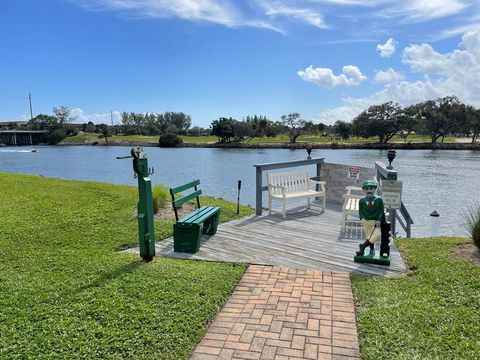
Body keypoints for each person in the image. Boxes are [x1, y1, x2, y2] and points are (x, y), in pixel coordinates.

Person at [356, 180, 384, 256]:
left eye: (371, 189)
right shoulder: (362, 201)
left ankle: (363, 246)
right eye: (367, 189)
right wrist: (361, 218)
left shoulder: (379, 200)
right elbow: (360, 210)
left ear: (374, 190)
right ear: (364, 190)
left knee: (377, 235)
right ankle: (372, 249)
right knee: (369, 236)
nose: (369, 191)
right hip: (365, 221)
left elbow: (381, 211)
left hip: (375, 221)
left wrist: (378, 220)